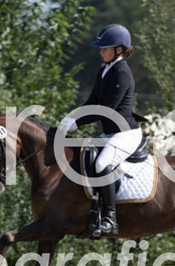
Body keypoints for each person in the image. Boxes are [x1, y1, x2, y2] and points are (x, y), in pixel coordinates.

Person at [60, 24, 146, 235]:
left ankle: (110, 218)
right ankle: (92, 215)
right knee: (84, 158)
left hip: (126, 134)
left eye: (105, 48)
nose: (101, 51)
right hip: (110, 133)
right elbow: (92, 102)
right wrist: (73, 117)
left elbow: (107, 109)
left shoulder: (122, 73)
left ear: (119, 49)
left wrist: (78, 123)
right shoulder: (105, 70)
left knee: (101, 163)